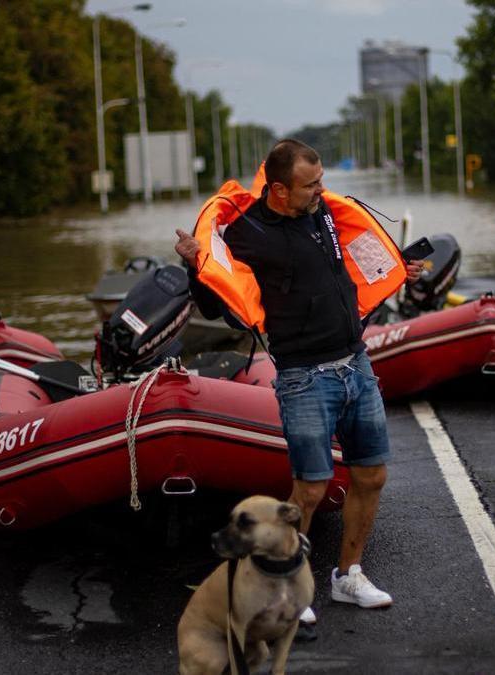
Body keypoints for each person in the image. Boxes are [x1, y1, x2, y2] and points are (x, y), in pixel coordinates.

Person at [174, 139, 423, 635]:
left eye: (321, 179)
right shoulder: (247, 233)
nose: (322, 190)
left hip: (356, 364)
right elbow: (215, 304)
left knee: (371, 476)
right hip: (304, 376)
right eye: (312, 184)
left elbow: (350, 267)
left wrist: (395, 266)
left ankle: (347, 575)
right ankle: (286, 588)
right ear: (280, 189)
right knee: (308, 490)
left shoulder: (323, 214)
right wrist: (193, 264)